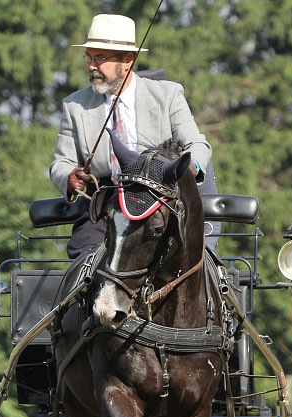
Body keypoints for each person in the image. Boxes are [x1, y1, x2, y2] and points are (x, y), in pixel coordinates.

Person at [49, 14, 216, 259]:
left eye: (101, 58)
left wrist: (189, 167)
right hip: (105, 202)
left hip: (161, 197)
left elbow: (198, 144)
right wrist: (69, 177)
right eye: (89, 57)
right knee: (83, 261)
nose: (91, 66)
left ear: (128, 60)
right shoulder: (74, 106)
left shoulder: (167, 95)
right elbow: (60, 163)